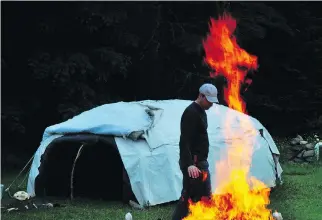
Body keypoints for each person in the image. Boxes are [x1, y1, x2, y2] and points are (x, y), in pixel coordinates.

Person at [172, 83, 219, 220]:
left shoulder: (201, 111)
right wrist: (189, 164)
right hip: (195, 163)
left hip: (200, 161)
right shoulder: (191, 113)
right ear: (201, 95)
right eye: (209, 101)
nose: (211, 104)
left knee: (194, 195)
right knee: (194, 194)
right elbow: (184, 140)